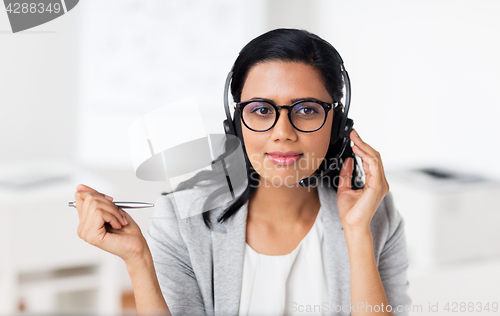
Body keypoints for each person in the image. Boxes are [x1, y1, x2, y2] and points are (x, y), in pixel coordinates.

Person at [74, 28, 412, 316]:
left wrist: (357, 234)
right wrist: (138, 260)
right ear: (235, 123)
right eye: (262, 110)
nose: (283, 132)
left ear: (337, 124)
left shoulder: (375, 216)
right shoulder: (182, 218)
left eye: (306, 109)